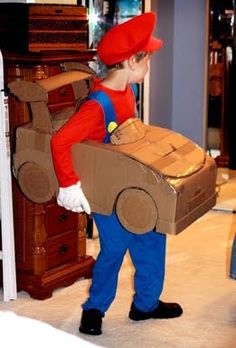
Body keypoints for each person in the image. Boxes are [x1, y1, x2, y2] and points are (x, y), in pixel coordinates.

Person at [51, 12, 183, 336]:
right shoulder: (98, 104)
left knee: (152, 238)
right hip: (108, 194)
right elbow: (60, 141)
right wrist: (69, 184)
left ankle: (146, 304)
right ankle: (94, 308)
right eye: (147, 59)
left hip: (133, 185)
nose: (149, 66)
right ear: (130, 61)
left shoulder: (127, 93)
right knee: (114, 248)